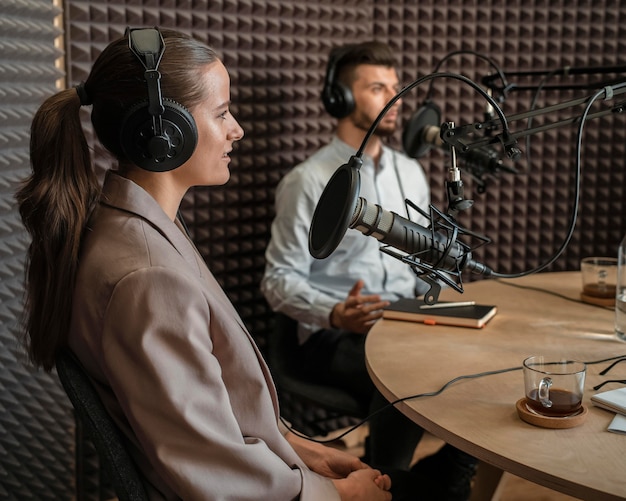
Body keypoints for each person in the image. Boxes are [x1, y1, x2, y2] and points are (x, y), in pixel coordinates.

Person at [15, 27, 393, 501]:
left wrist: (299, 448)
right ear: (164, 134)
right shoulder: (147, 278)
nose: (237, 128)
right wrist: (338, 496)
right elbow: (218, 472)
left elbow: (213, 412)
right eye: (221, 113)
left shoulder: (133, 227)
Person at [261, 41, 477, 500]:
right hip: (333, 337)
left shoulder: (410, 173)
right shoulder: (308, 181)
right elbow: (278, 281)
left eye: (395, 88)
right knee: (408, 373)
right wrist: (336, 312)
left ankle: (420, 485)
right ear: (338, 97)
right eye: (378, 88)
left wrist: (440, 295)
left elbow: (425, 266)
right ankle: (387, 480)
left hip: (404, 323)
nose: (394, 100)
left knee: (478, 370)